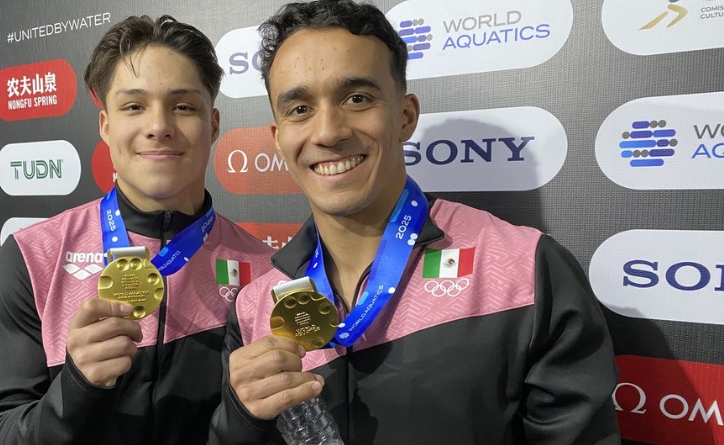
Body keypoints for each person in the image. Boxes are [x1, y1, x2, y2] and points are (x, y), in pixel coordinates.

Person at [209, 1, 620, 443]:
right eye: (299, 109)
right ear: (278, 139)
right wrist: (241, 422)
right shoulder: (255, 306)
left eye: (357, 98)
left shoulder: (526, 270)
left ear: (405, 116)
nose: (327, 132)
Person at [0, 15, 274, 445]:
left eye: (183, 106)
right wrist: (74, 390)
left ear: (213, 124)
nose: (158, 126)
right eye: (134, 106)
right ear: (106, 126)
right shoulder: (34, 257)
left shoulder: (264, 271)